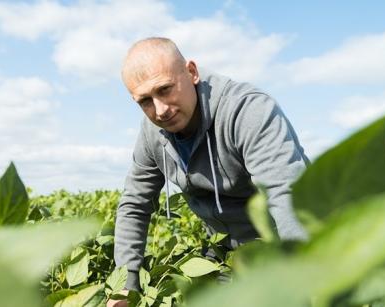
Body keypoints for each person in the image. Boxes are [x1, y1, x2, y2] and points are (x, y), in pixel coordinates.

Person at [108, 37, 308, 306]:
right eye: (144, 101)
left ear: (191, 72)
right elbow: (134, 205)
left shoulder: (247, 110)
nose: (160, 110)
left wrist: (306, 277)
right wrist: (126, 285)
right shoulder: (152, 133)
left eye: (165, 89)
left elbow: (285, 194)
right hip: (223, 253)